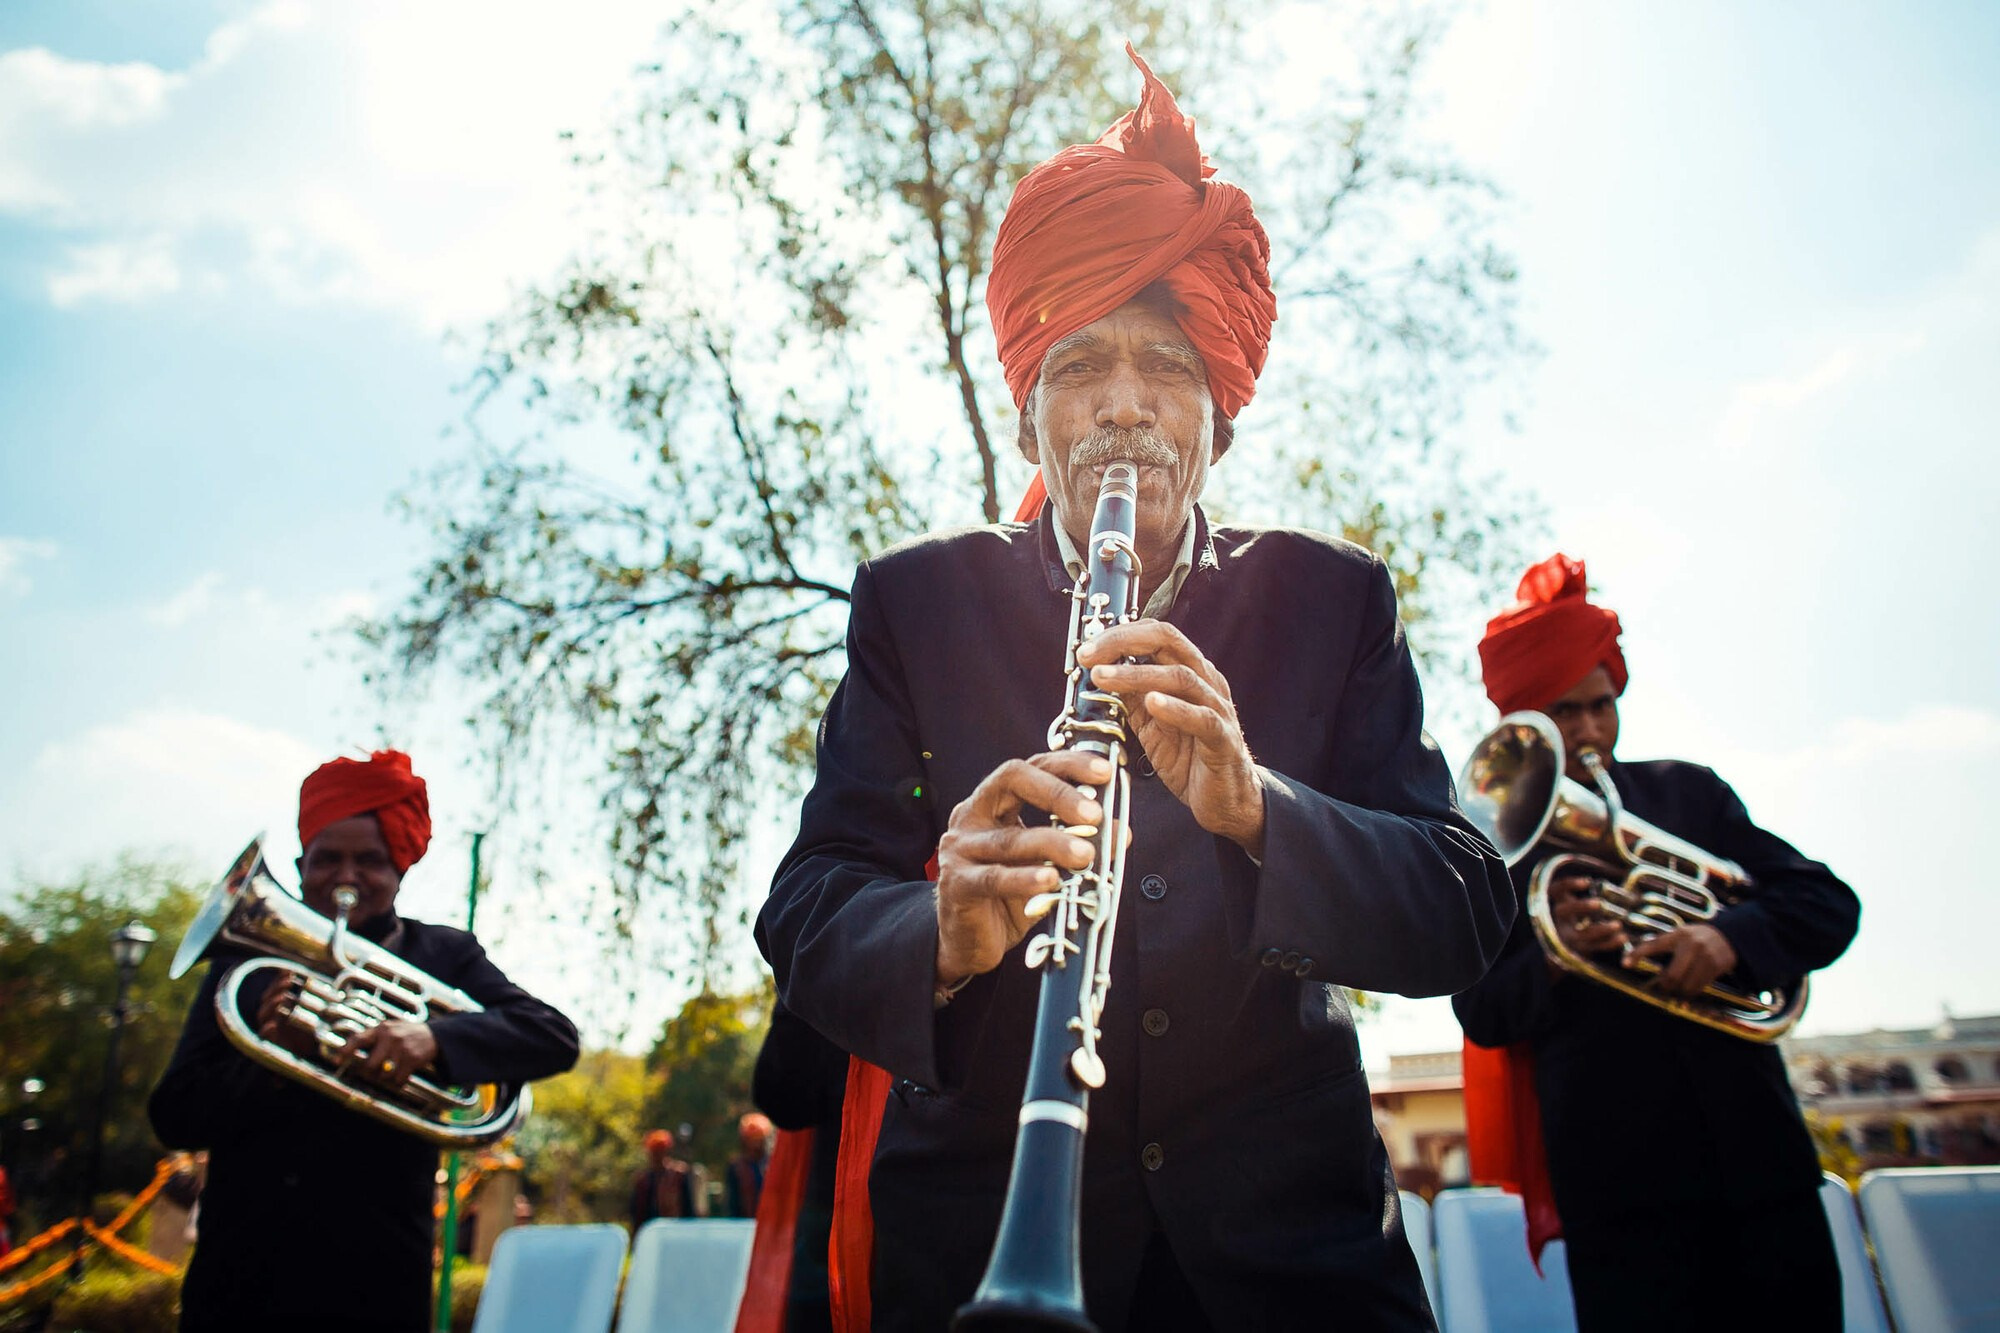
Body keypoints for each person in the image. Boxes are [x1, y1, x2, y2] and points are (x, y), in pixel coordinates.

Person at [755, 49, 1513, 1332]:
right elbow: (808, 909)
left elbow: (1460, 906)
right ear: (1029, 411)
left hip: (1296, 1263)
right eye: (1079, 367)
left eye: (1164, 370)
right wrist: (940, 933)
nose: (1121, 408)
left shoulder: (1331, 600)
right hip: (969, 1252)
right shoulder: (913, 601)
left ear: (1219, 409)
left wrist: (1258, 806)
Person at [1452, 553, 1861, 1332]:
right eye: (1563, 712)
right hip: (1618, 1197)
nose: (1588, 730)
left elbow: (1828, 903)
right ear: (1523, 724)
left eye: (1600, 706)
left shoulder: (1689, 792)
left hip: (1762, 1169)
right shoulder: (1495, 849)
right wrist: (1555, 953)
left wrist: (1728, 936)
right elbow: (1479, 1010)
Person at [149, 749, 580, 1333]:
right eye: (328, 859)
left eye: (369, 861)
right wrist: (273, 1062)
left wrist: (433, 1037)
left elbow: (553, 1036)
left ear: (400, 869)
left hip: (379, 1279)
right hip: (240, 1279)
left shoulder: (444, 954)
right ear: (300, 866)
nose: (346, 878)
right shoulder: (239, 964)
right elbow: (173, 1116)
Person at [630, 1129, 697, 1229]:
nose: (657, 1156)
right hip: (651, 1231)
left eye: (660, 1151)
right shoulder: (643, 1180)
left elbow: (688, 1208)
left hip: (676, 1229)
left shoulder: (679, 1175)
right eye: (655, 1152)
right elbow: (637, 1214)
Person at [727, 1113, 775, 1219]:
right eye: (752, 1139)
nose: (755, 1144)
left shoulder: (774, 1165)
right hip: (744, 1222)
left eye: (759, 1139)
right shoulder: (737, 1167)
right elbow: (733, 1203)